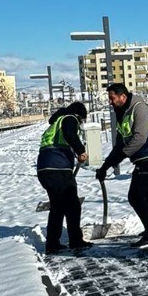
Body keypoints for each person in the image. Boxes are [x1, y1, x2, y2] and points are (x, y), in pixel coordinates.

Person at [96, 81, 148, 245]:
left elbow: (139, 138)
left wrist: (121, 156)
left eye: (112, 98)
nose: (110, 101)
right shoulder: (124, 114)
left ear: (123, 96)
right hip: (144, 156)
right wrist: (105, 166)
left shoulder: (139, 108)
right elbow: (120, 144)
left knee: (136, 195)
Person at [36, 100, 90, 255]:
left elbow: (61, 140)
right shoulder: (69, 118)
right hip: (58, 167)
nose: (80, 123)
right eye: (81, 120)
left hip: (45, 168)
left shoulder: (56, 122)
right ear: (78, 115)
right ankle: (75, 240)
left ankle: (53, 244)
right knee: (73, 205)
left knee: (58, 207)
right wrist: (80, 151)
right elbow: (70, 134)